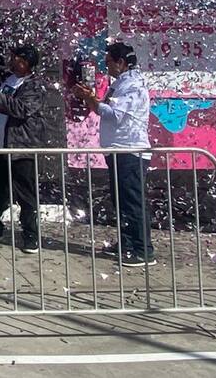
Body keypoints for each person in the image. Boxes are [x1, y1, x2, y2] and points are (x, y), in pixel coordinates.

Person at [74, 42, 156, 267]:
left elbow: (113, 115)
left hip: (130, 151)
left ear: (121, 62)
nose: (106, 66)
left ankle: (142, 250)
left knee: (132, 202)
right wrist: (90, 98)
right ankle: (127, 243)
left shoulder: (133, 85)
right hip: (117, 150)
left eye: (109, 62)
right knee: (121, 201)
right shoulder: (121, 83)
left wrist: (91, 99)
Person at [0, 44, 48, 252]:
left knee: (25, 193)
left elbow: (21, 109)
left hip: (20, 147)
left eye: (16, 58)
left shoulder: (35, 85)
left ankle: (30, 235)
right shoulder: (8, 80)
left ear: (25, 62)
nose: (11, 60)